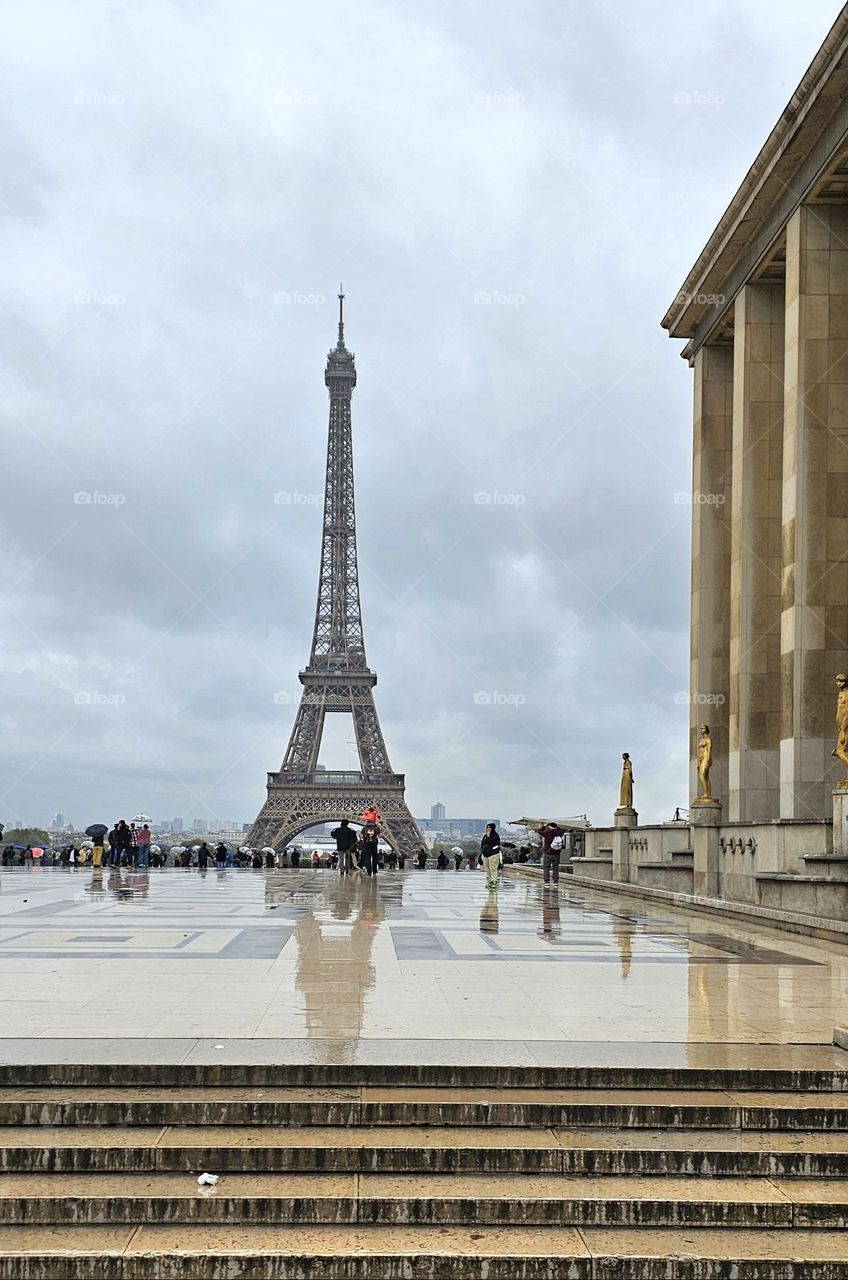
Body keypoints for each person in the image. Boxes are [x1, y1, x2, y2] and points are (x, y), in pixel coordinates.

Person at [539, 822, 564, 886]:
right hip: (556, 853)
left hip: (548, 853)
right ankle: (555, 882)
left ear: (549, 827)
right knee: (555, 868)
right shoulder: (559, 833)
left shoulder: (548, 833)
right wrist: (556, 827)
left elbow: (540, 831)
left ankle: (547, 881)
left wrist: (544, 826)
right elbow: (562, 830)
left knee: (546, 867)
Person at [480, 823, 502, 889]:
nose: (488, 829)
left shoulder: (495, 836)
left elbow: (495, 844)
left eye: (489, 827)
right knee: (487, 869)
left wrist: (489, 836)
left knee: (493, 869)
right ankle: (490, 881)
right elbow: (482, 844)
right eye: (487, 827)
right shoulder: (485, 836)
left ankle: (493, 882)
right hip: (485, 855)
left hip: (493, 854)